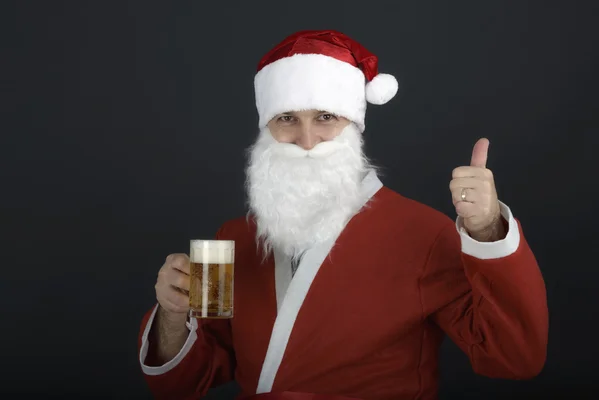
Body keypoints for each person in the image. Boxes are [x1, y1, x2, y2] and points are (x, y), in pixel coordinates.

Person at [137, 30, 548, 400]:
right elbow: (184, 383)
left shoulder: (424, 233)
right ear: (266, 129)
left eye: (325, 117)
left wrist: (488, 230)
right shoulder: (229, 240)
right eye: (287, 119)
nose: (307, 140)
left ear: (355, 125)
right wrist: (173, 315)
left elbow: (514, 358)